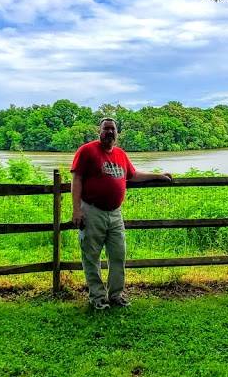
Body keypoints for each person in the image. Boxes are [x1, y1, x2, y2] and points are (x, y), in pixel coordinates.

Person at [71, 117, 172, 309]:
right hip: (92, 211)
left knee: (118, 255)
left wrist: (158, 175)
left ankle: (116, 295)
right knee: (91, 256)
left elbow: (133, 175)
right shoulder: (86, 151)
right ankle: (98, 298)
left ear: (117, 133)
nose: (110, 132)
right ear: (99, 131)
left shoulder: (120, 154)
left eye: (113, 129)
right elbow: (77, 179)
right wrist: (76, 210)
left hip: (115, 214)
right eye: (106, 128)